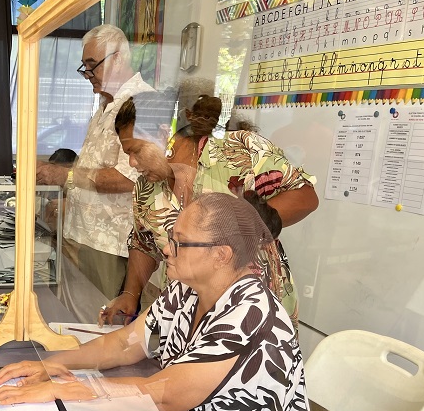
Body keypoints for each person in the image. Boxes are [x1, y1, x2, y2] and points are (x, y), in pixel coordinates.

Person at [0, 193, 321, 411]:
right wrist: (53, 364)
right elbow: (124, 343)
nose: (166, 250)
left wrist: (64, 389)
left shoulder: (251, 312)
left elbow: (163, 393)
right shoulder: (186, 290)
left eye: (179, 243)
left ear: (221, 255)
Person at [103, 94, 318, 330]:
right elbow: (143, 243)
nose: (132, 163)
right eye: (128, 155)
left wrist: (248, 223)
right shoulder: (146, 188)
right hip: (185, 316)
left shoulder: (239, 151)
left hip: (251, 310)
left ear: (163, 134)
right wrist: (130, 294)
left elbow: (305, 196)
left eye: (136, 151)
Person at [36, 24, 154, 301]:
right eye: (84, 67)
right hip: (79, 231)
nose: (87, 75)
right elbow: (92, 167)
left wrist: (64, 177)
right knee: (71, 316)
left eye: (93, 66)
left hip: (108, 243)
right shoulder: (105, 104)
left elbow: (129, 178)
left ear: (118, 58)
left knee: (96, 319)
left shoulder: (141, 103)